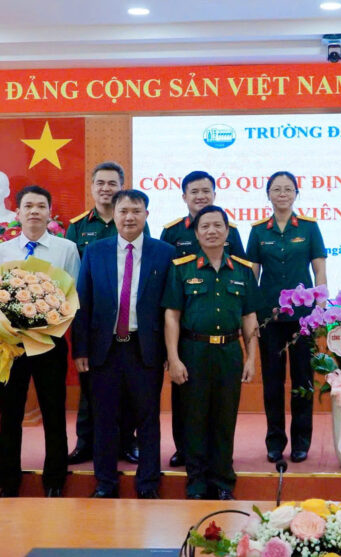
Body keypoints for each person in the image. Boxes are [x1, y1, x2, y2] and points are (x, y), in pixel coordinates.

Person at [73, 190, 174, 499]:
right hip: (104, 348)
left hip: (145, 348)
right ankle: (105, 483)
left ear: (146, 215)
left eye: (136, 211)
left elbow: (171, 308)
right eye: (123, 211)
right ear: (114, 214)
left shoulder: (164, 253)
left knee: (147, 419)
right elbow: (82, 302)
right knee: (104, 418)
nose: (129, 217)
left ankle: (148, 483)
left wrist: (170, 353)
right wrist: (80, 349)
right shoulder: (95, 251)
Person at [163, 205, 260, 500]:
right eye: (205, 226)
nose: (212, 231)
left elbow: (249, 317)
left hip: (229, 351)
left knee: (224, 419)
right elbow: (172, 316)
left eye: (218, 225)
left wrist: (251, 358)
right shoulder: (182, 268)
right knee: (193, 418)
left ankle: (222, 482)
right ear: (196, 233)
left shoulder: (242, 270)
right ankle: (196, 483)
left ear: (227, 231)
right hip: (193, 351)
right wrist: (173, 358)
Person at [0, 185, 80, 498]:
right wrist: (5, 327)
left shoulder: (66, 249)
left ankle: (55, 479)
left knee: (54, 412)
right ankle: (8, 481)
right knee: (10, 415)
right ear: (17, 212)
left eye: (41, 206)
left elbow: (73, 295)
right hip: (12, 346)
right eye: (28, 206)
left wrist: (49, 326)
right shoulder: (1, 251)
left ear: (50, 212)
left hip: (50, 344)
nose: (34, 211)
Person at [159, 170, 247, 468]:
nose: (200, 196)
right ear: (184, 196)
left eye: (206, 191)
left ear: (214, 194)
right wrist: (170, 351)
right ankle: (184, 449)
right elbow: (164, 278)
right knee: (185, 400)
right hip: (186, 330)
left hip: (223, 334)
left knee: (221, 406)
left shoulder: (230, 230)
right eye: (194, 191)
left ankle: (218, 462)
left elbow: (242, 270)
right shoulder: (172, 231)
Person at [64, 162, 146, 467]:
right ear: (92, 187)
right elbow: (73, 277)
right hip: (94, 319)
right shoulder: (78, 226)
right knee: (90, 388)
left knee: (129, 390)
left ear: (122, 187)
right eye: (100, 183)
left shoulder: (132, 219)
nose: (106, 188)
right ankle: (85, 443)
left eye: (112, 183)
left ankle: (127, 442)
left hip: (127, 318)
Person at [246, 171, 327, 464]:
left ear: (296, 194)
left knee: (303, 380)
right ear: (268, 194)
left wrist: (320, 307)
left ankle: (301, 442)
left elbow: (319, 270)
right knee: (272, 382)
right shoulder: (258, 231)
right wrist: (251, 314)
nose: (282, 194)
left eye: (288, 189)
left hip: (303, 317)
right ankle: (275, 441)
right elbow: (252, 275)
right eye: (277, 189)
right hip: (270, 317)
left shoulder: (309, 228)